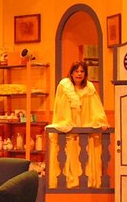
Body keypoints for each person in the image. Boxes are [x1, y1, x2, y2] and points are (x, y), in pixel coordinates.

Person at [46, 60, 109, 188]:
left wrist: (100, 121)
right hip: (70, 128)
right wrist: (66, 122)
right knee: (69, 156)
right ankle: (70, 182)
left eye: (82, 71)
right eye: (76, 71)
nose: (79, 74)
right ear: (71, 73)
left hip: (85, 128)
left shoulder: (89, 88)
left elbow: (96, 107)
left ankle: (88, 183)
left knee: (85, 158)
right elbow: (60, 107)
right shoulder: (65, 86)